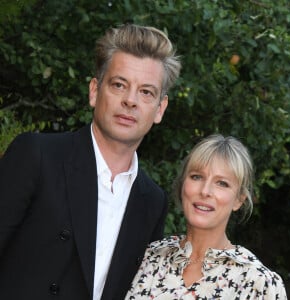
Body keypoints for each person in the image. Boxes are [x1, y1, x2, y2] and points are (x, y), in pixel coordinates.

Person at [0, 24, 181, 300]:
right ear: (95, 91)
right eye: (119, 85)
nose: (130, 101)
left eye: (146, 92)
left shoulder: (152, 201)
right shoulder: (37, 156)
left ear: (160, 109)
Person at [125, 134, 287, 299]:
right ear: (182, 185)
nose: (205, 191)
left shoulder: (259, 284)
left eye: (222, 183)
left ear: (239, 200)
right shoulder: (149, 257)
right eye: (197, 177)